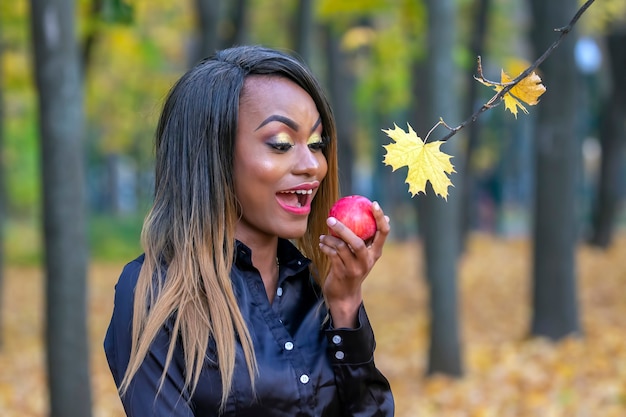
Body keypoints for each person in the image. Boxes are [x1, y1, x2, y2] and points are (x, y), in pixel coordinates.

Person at [104, 45, 394, 416]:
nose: (312, 166)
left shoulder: (320, 290)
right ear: (213, 154)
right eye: (281, 144)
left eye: (317, 144)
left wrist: (345, 304)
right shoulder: (153, 293)